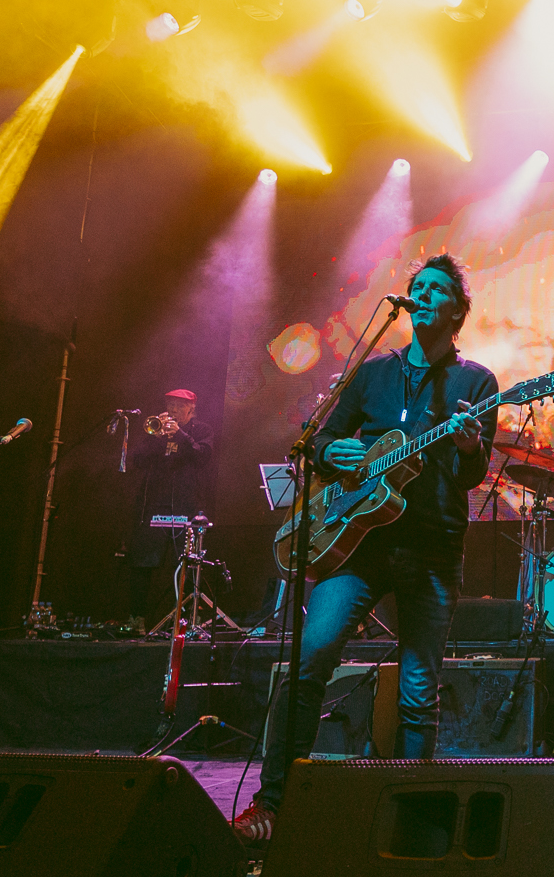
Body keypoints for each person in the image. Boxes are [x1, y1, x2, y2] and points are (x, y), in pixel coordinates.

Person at [236, 256, 498, 843]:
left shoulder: (476, 382)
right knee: (309, 660)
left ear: (458, 311)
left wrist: (469, 447)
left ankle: (409, 818)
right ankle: (273, 805)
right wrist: (332, 453)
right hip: (357, 544)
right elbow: (323, 437)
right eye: (417, 287)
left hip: (432, 549)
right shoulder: (374, 370)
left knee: (418, 689)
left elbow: (470, 477)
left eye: (437, 289)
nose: (423, 295)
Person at [117, 387, 213, 630]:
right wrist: (155, 438)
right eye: (170, 404)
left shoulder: (201, 430)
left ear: (191, 408)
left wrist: (180, 434)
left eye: (180, 405)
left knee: (185, 564)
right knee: (142, 562)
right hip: (153, 505)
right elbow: (138, 460)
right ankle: (136, 618)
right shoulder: (157, 431)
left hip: (186, 505)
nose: (173, 409)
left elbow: (202, 456)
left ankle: (186, 621)